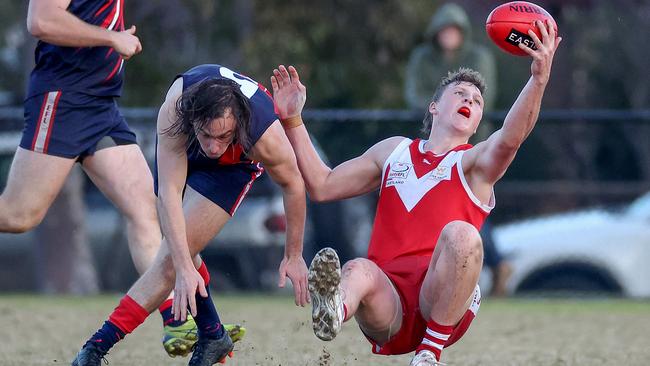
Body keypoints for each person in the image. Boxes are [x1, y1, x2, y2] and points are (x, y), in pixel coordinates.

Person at [275, 20, 560, 365]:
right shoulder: (394, 151)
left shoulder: (473, 162)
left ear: (476, 121)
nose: (470, 100)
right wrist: (293, 120)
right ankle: (334, 310)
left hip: (441, 299)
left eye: (477, 101)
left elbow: (511, 137)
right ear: (434, 107)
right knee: (359, 268)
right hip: (388, 304)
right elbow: (322, 185)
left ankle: (428, 354)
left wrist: (538, 78)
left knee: (463, 235)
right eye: (460, 94)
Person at [8, 0, 242, 358]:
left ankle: (175, 320)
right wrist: (110, 38)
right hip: (63, 100)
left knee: (148, 210)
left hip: (101, 106)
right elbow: (41, 20)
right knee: (18, 215)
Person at [71, 63, 310, 366]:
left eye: (223, 136)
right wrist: (185, 266)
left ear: (237, 122)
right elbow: (168, 194)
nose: (213, 147)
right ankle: (213, 336)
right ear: (192, 118)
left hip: (232, 169)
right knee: (178, 254)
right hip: (185, 147)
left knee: (172, 256)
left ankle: (93, 351)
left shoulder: (262, 134)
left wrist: (293, 253)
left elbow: (294, 184)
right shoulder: (175, 110)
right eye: (207, 135)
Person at [404, 3, 512, 295]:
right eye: (445, 30)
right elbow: (413, 94)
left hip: (472, 146)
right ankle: (472, 268)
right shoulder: (423, 58)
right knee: (445, 210)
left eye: (455, 30)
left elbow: (481, 96)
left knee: (469, 207)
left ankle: (493, 265)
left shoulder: (478, 56)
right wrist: (444, 107)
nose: (450, 36)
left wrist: (455, 107)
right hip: (434, 142)